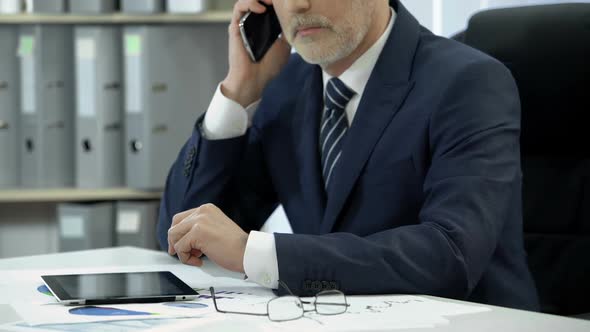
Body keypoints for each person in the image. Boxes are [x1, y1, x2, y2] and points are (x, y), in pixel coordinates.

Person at [158, 0, 540, 311]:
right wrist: (239, 90)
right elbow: (182, 236)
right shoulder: (287, 86)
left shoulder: (468, 82)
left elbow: (450, 254)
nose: (297, 6)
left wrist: (253, 252)